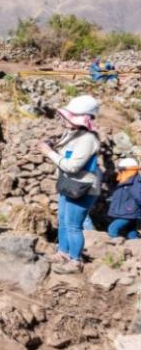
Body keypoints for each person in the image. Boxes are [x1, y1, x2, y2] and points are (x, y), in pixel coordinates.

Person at [37, 95, 101, 274]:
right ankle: (63, 253)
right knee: (63, 222)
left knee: (73, 225)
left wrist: (48, 152)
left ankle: (75, 259)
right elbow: (66, 156)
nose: (64, 120)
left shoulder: (88, 139)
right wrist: (53, 147)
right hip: (69, 185)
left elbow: (72, 166)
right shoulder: (73, 134)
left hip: (81, 188)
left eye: (69, 117)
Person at [107, 158, 141, 242]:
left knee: (112, 228)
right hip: (128, 212)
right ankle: (136, 250)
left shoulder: (134, 183)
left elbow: (139, 197)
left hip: (129, 212)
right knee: (131, 232)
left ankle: (114, 247)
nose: (119, 172)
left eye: (120, 170)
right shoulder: (126, 181)